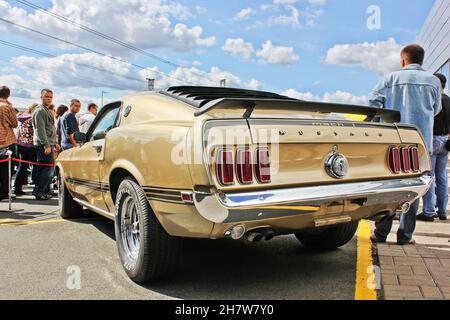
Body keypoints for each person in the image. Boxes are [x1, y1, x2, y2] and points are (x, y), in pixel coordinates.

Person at [368, 44, 442, 245]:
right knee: (413, 186)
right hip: (419, 142)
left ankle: (381, 234)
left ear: (403, 60)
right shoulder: (433, 81)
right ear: (422, 60)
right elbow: (436, 109)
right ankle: (405, 236)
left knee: (388, 185)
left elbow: (372, 104)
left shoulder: (390, 79)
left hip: (392, 140)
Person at [419, 73, 450, 222]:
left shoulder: (434, 101)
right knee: (442, 176)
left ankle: (429, 211)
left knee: (429, 175)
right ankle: (442, 211)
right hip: (446, 141)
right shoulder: (449, 100)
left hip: (432, 139)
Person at [32, 89, 60, 201]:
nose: (49, 98)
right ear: (41, 97)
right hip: (44, 144)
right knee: (48, 169)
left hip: (50, 143)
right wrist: (47, 145)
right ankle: (38, 191)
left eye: (50, 97)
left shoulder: (46, 110)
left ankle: (42, 191)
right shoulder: (40, 111)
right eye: (46, 96)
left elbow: (51, 128)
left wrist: (55, 143)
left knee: (46, 169)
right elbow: (40, 130)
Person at [13, 103, 39, 195]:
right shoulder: (33, 119)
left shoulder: (21, 117)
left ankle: (17, 188)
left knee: (22, 167)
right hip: (31, 146)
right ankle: (37, 189)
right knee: (36, 166)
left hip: (21, 144)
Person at [0, 86, 18, 201]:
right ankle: (4, 193)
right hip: (5, 141)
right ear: (8, 95)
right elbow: (15, 123)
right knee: (6, 170)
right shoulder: (7, 107)